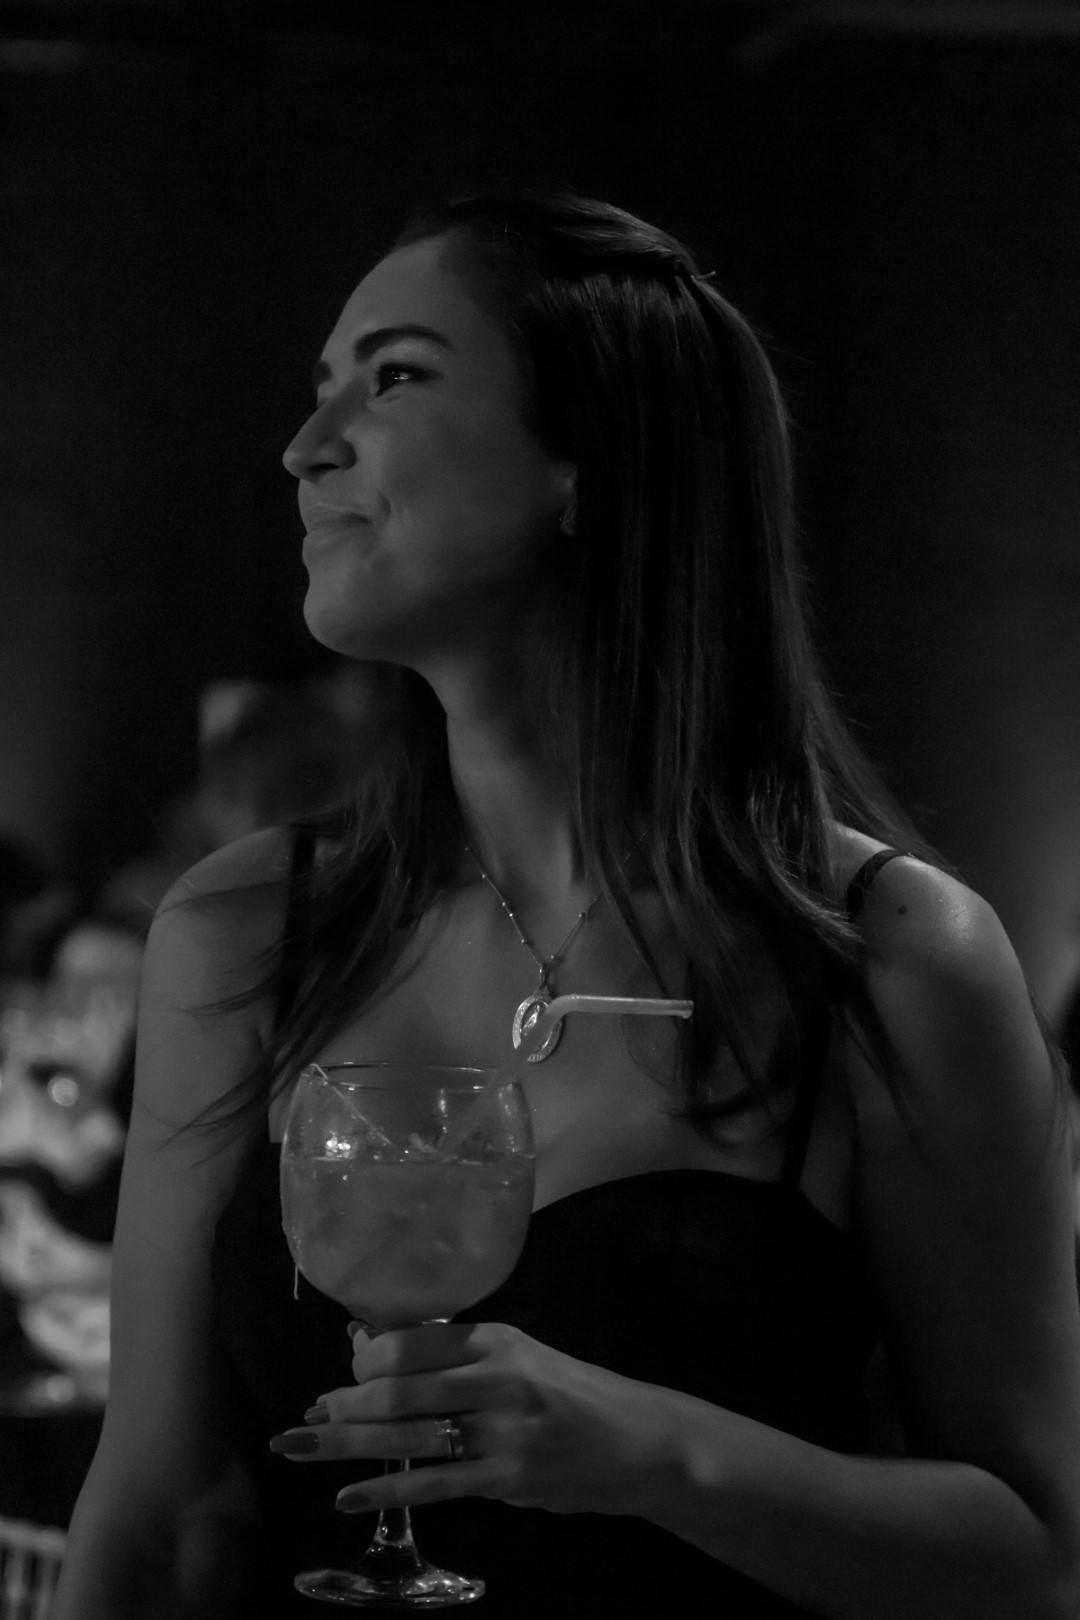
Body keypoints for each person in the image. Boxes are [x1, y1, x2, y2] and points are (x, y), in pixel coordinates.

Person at [54, 190, 1080, 1619]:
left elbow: (1040, 1561)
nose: (305, 447)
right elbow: (160, 1523)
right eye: (319, 386)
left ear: (590, 458)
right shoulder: (245, 929)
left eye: (393, 377)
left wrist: (662, 1455)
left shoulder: (890, 956)